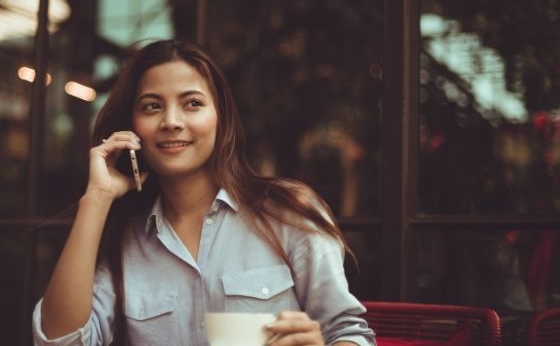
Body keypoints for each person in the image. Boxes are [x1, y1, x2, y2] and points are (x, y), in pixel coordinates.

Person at [33, 39, 375, 346]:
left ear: (220, 118)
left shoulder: (287, 212)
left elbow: (349, 333)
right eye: (152, 106)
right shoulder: (124, 241)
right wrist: (96, 198)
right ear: (132, 127)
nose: (171, 121)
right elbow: (60, 343)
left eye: (192, 103)